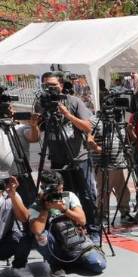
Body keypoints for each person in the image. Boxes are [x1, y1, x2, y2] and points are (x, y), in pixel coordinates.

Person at [34, 72, 99, 242]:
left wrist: (68, 115)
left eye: (53, 85)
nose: (50, 89)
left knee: (87, 196)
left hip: (79, 158)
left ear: (61, 85)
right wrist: (35, 122)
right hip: (57, 159)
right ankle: (71, 231)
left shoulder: (74, 101)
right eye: (46, 85)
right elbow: (38, 131)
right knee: (63, 197)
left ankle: (93, 230)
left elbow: (87, 127)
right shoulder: (42, 104)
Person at [29, 170, 107, 276]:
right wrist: (45, 208)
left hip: (77, 245)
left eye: (61, 189)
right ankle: (56, 264)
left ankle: (73, 262)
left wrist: (65, 210)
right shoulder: (38, 203)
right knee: (40, 237)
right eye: (55, 190)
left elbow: (82, 220)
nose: (59, 193)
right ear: (44, 188)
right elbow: (37, 230)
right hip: (56, 247)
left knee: (98, 265)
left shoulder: (69, 196)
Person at [87, 113, 132, 225]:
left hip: (119, 163)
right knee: (104, 191)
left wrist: (130, 130)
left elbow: (127, 140)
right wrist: (99, 149)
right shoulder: (95, 120)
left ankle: (125, 213)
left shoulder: (120, 120)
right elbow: (89, 140)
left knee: (123, 190)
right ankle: (102, 215)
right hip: (103, 164)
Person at [0, 104, 40, 205]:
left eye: (10, 107)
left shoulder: (19, 127)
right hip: (2, 178)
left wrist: (34, 126)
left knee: (27, 206)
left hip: (22, 176)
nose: (9, 110)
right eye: (6, 107)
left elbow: (34, 138)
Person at [0, 176, 38, 277]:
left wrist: (12, 195)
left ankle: (19, 266)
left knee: (26, 233)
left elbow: (24, 218)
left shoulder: (10, 195)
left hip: (3, 244)